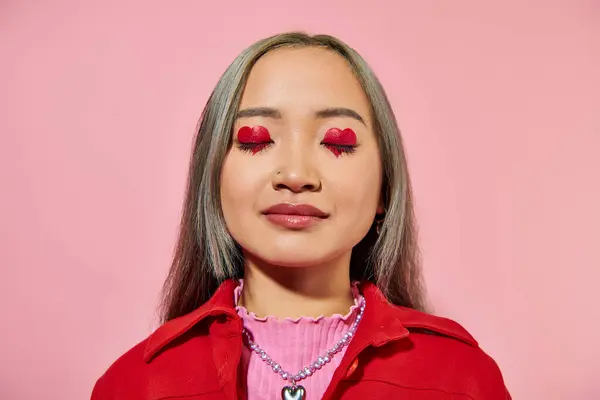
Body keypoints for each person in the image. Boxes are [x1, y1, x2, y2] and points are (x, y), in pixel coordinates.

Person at [91, 32, 511, 400]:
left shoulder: (463, 378)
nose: (295, 176)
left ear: (384, 187)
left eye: (339, 143)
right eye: (255, 140)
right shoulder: (133, 384)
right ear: (213, 178)